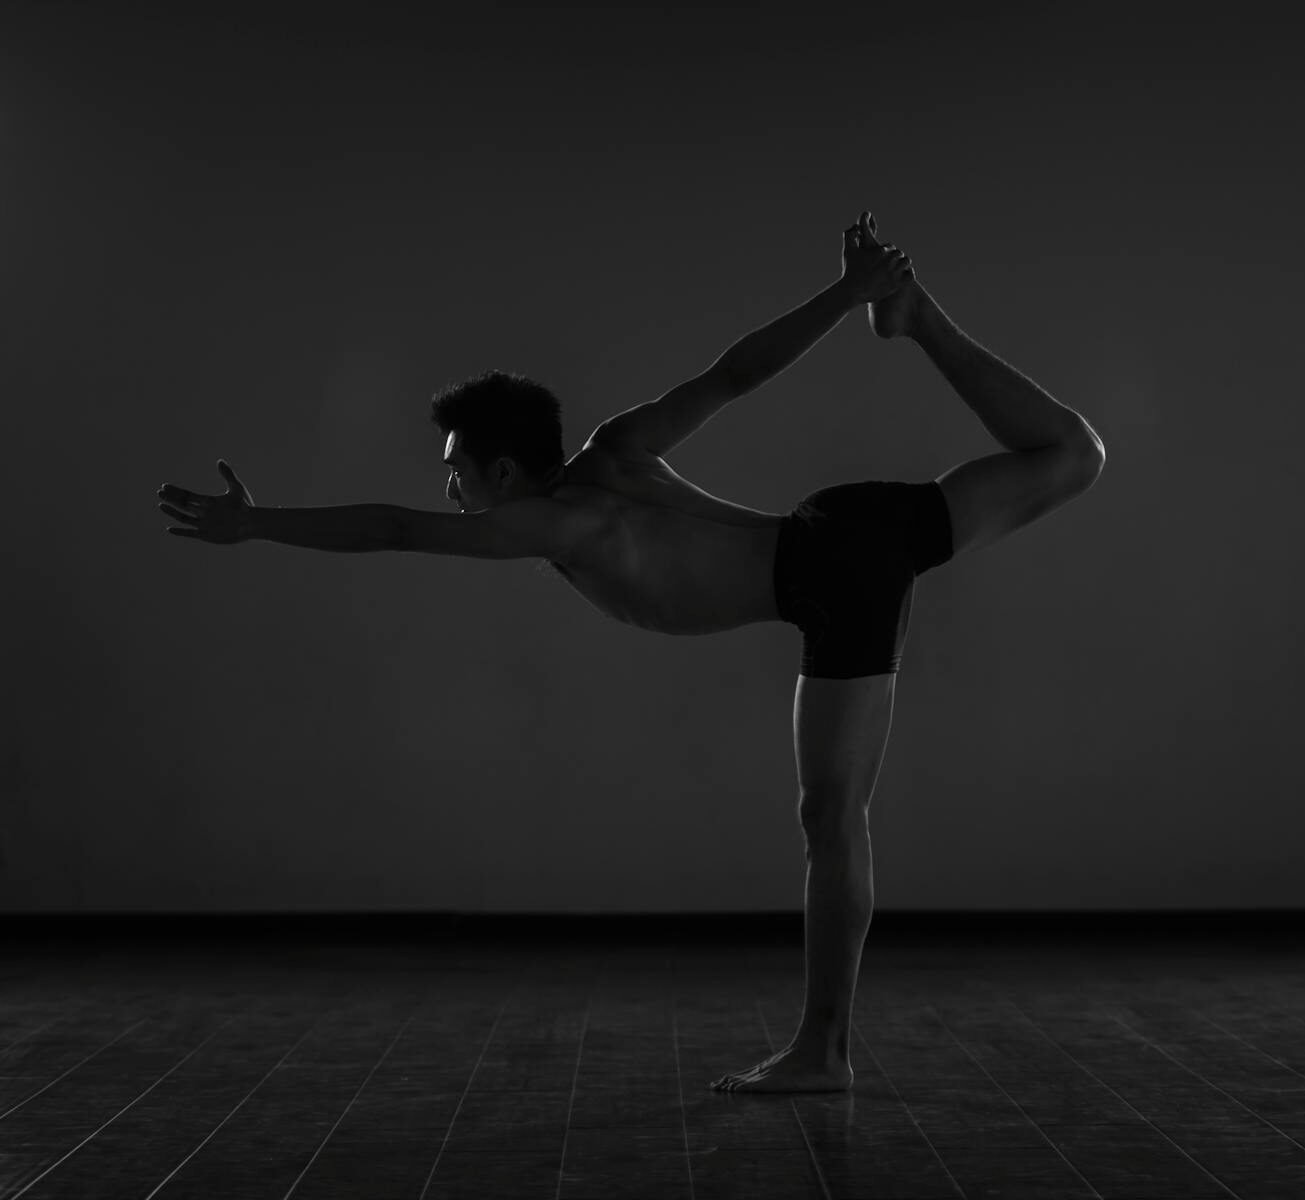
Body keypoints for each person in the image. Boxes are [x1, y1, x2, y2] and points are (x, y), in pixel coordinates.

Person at [158, 210, 1105, 1093]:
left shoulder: (554, 524)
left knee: (830, 815)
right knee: (1072, 455)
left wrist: (258, 527)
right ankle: (918, 318)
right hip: (837, 535)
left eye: (455, 471)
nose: (447, 489)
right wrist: (848, 295)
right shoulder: (617, 451)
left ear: (501, 471)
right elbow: (730, 376)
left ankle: (825, 1051)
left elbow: (395, 529)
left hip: (831, 573)